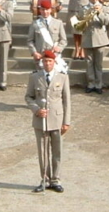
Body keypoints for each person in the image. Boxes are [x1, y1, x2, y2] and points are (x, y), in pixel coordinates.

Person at [23, 50, 72, 193]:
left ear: (54, 62)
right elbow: (28, 97)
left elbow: (67, 101)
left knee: (57, 151)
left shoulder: (62, 77)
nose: (47, 64)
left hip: (57, 119)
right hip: (41, 120)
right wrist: (36, 109)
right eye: (45, 61)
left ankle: (56, 180)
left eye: (50, 61)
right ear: (41, 62)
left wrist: (66, 121)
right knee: (43, 151)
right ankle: (45, 179)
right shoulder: (35, 77)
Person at [80, 0, 109, 94]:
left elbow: (106, 21)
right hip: (88, 37)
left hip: (100, 38)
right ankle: (90, 84)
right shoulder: (84, 8)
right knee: (89, 63)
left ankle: (98, 84)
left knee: (98, 64)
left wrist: (99, 12)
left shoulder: (104, 8)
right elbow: (80, 20)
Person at [27, 0, 67, 71]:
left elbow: (63, 40)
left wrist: (59, 48)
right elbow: (30, 41)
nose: (45, 12)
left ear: (50, 10)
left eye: (47, 9)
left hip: (54, 56)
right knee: (41, 77)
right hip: (40, 56)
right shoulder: (35, 24)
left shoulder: (58, 23)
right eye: (43, 9)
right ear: (40, 10)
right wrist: (34, 52)